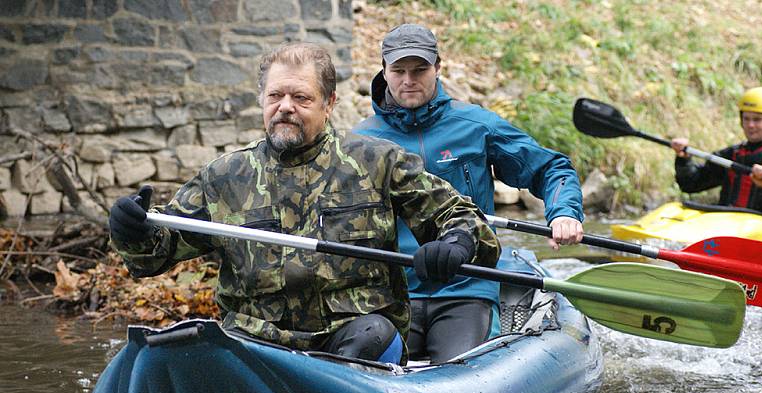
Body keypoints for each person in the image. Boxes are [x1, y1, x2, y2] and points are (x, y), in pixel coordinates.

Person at [108, 42, 500, 366]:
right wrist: (132, 231)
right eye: (275, 96)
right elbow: (153, 256)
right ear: (261, 100)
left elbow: (463, 219)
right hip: (256, 339)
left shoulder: (377, 161)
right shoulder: (224, 177)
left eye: (301, 97)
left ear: (328, 103)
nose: (285, 107)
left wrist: (457, 244)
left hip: (355, 337)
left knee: (372, 336)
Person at [354, 23, 584, 364]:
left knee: (459, 373)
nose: (408, 80)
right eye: (398, 71)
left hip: (467, 287)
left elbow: (551, 168)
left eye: (419, 70)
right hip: (393, 293)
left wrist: (564, 212)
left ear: (438, 68)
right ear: (384, 72)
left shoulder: (476, 125)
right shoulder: (359, 142)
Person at [670, 86, 762, 221]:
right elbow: (691, 184)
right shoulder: (733, 154)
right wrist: (684, 160)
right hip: (731, 226)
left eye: (757, 119)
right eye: (746, 118)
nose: (750, 125)